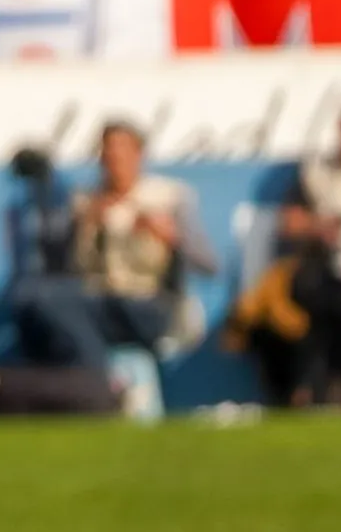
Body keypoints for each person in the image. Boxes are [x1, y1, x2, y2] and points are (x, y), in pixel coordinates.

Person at [13, 123, 217, 373]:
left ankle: (97, 381)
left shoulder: (168, 197)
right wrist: (84, 225)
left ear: (138, 155)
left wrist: (171, 237)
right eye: (107, 154)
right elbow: (64, 268)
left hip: (148, 303)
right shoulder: (86, 202)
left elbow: (209, 265)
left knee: (61, 304)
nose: (114, 161)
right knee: (34, 303)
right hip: (97, 300)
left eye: (121, 153)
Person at [279, 100, 341, 404]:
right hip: (324, 269)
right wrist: (318, 227)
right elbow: (289, 223)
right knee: (336, 299)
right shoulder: (318, 175)